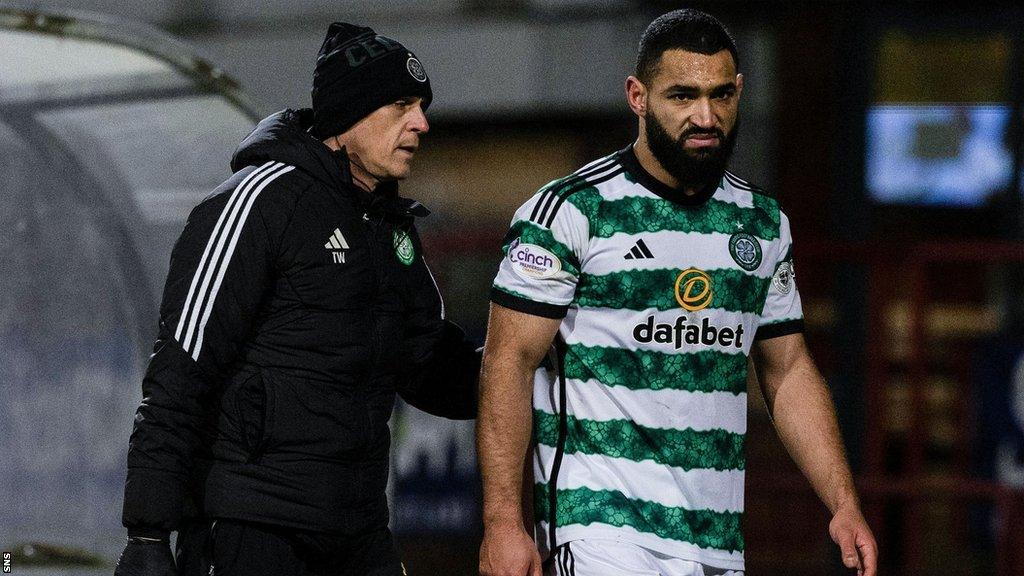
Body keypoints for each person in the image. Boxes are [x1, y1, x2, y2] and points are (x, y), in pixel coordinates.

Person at [476, 9, 877, 576]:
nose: (704, 116)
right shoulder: (570, 212)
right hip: (597, 528)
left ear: (740, 92)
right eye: (682, 96)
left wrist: (843, 503)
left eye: (720, 95)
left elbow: (787, 370)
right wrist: (502, 523)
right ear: (637, 97)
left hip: (714, 541)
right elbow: (507, 361)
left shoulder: (761, 224)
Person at [113, 22, 480, 576]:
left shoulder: (391, 228)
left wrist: (526, 366)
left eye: (421, 106)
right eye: (402, 104)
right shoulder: (258, 201)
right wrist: (146, 532)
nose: (421, 123)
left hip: (358, 529)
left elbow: (427, 364)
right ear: (347, 116)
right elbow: (180, 372)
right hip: (252, 526)